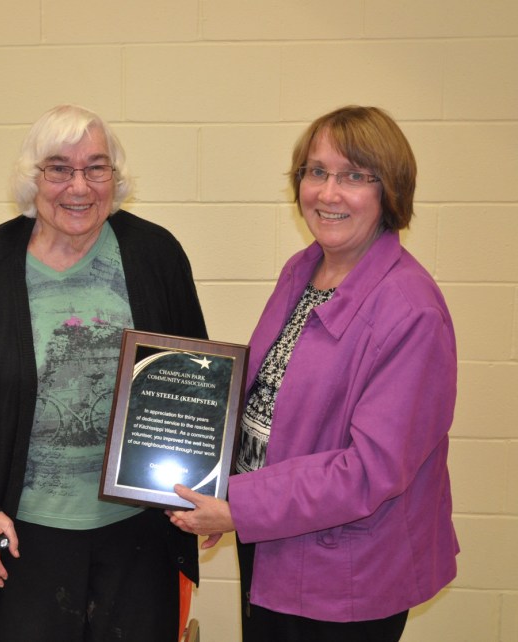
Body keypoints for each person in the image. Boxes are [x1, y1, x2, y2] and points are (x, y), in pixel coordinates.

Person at [169, 105, 459, 642]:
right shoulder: (304, 270)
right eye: (316, 171)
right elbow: (269, 401)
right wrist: (216, 484)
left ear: (389, 191)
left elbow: (370, 470)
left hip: (345, 574)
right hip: (274, 540)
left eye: (353, 176)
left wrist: (239, 506)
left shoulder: (409, 309)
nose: (328, 193)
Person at [0, 104, 207, 642]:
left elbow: (194, 385)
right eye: (59, 168)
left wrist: (204, 486)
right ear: (33, 179)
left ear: (115, 178)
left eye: (96, 167)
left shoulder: (156, 255)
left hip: (137, 531)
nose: (79, 186)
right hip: (26, 534)